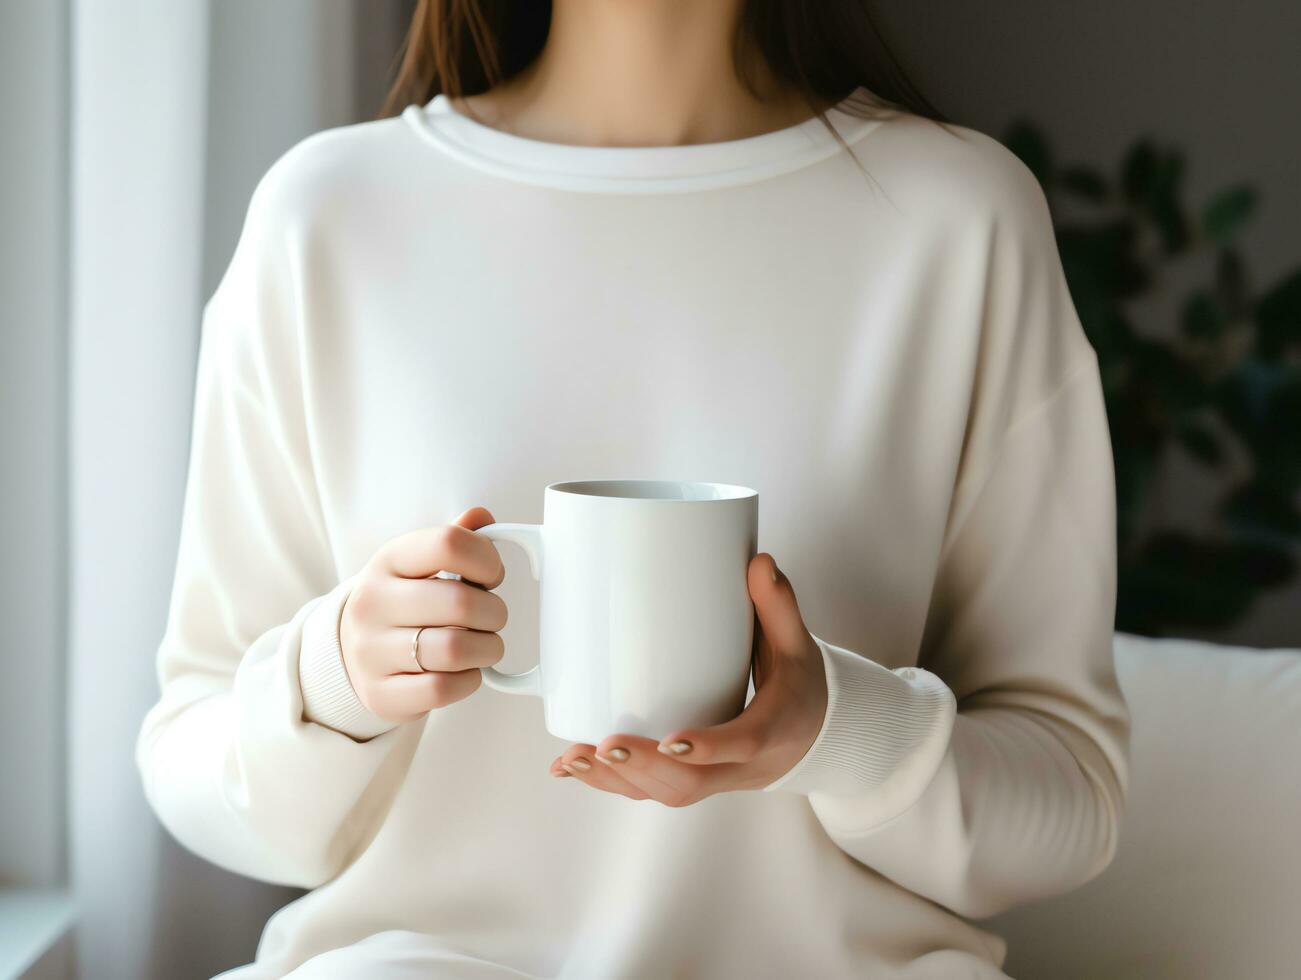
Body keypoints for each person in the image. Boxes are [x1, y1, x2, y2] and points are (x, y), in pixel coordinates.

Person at [137, 1, 1130, 977]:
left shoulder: (958, 219)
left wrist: (836, 729)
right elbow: (190, 756)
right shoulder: (329, 214)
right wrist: (333, 676)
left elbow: (1072, 793)